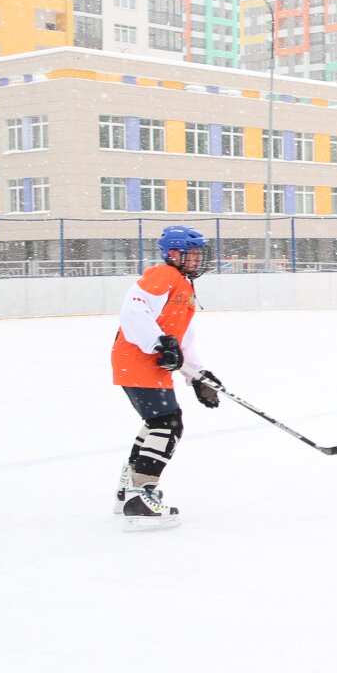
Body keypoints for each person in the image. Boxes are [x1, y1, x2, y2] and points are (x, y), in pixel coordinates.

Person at [110, 225, 220, 531]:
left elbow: (183, 338)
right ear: (173, 254)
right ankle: (139, 497)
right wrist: (159, 343)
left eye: (199, 255)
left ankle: (128, 489)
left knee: (157, 421)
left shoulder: (183, 284)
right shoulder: (163, 275)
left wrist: (198, 376)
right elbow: (133, 311)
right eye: (191, 254)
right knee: (167, 423)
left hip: (146, 363)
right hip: (138, 360)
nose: (197, 260)